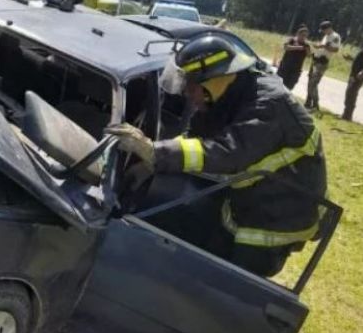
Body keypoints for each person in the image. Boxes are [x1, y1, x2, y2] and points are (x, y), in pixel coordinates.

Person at [107, 36, 326, 277]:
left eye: (191, 85)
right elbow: (195, 138)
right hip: (247, 203)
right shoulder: (228, 95)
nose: (188, 94)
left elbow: (227, 153)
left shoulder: (268, 105)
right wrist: (153, 160)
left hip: (277, 217)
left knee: (231, 284)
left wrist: (154, 151)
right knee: (207, 261)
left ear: (214, 82)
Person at [305, 21, 341, 110]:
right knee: (311, 82)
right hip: (316, 60)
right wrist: (318, 46)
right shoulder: (326, 36)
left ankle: (315, 105)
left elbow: (335, 49)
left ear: (328, 28)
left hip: (322, 62)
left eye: (323, 30)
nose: (323, 32)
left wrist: (322, 46)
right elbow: (323, 46)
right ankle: (309, 102)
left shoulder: (335, 37)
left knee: (313, 83)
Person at [277, 25, 310, 90]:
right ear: (298, 34)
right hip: (285, 67)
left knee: (289, 87)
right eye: (302, 35)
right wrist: (298, 47)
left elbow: (309, 56)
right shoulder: (292, 40)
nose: (304, 37)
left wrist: (307, 50)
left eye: (305, 36)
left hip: (295, 70)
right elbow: (286, 47)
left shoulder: (306, 45)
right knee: (278, 85)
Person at [342, 50, 363, 121]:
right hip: (354, 74)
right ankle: (346, 114)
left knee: (351, 93)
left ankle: (347, 116)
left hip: (358, 76)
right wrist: (350, 58)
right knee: (349, 93)